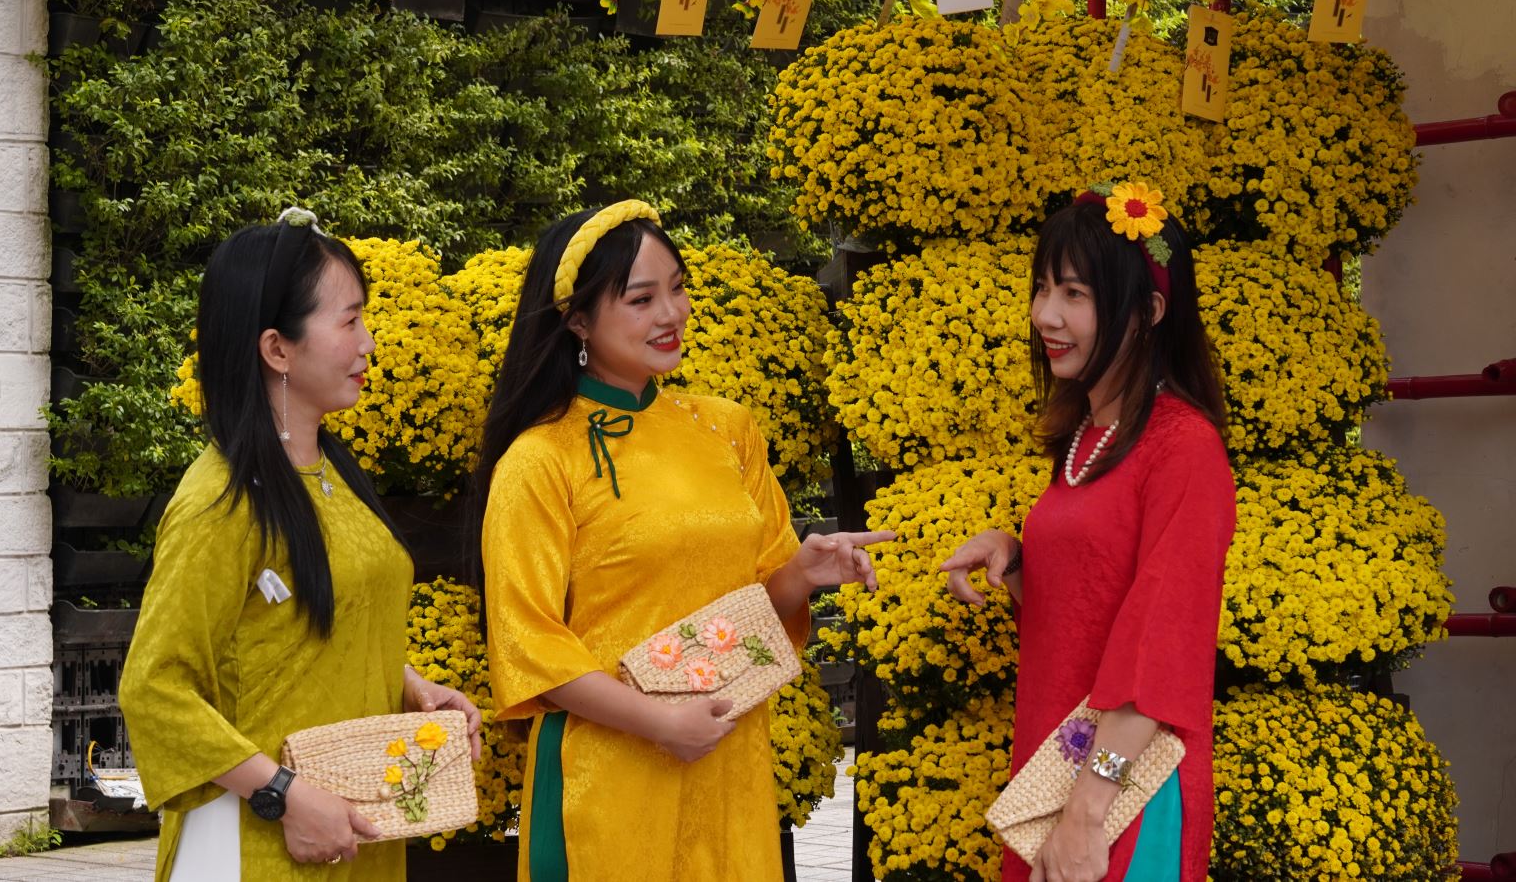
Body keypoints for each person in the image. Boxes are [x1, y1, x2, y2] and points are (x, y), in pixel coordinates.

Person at [477, 200, 893, 881]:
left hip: (726, 756)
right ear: (578, 319)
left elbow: (756, 603)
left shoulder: (726, 429)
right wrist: (661, 723)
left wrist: (801, 573)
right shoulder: (540, 458)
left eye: (677, 287)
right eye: (641, 298)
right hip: (610, 771)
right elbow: (529, 642)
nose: (671, 313)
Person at [119, 208, 482, 882]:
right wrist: (281, 794)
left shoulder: (331, 469)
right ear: (277, 348)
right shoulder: (219, 503)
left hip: (352, 828)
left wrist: (413, 688)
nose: (369, 342)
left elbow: (309, 627)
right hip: (257, 844)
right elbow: (155, 688)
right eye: (349, 322)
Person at [941, 183, 1236, 882]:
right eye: (1043, 288)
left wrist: (1088, 813)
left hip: (1120, 793)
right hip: (1056, 773)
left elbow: (1162, 646)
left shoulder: (1183, 449)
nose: (1047, 315)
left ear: (1147, 313)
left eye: (1075, 294)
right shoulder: (1087, 436)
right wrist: (1015, 560)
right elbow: (1088, 607)